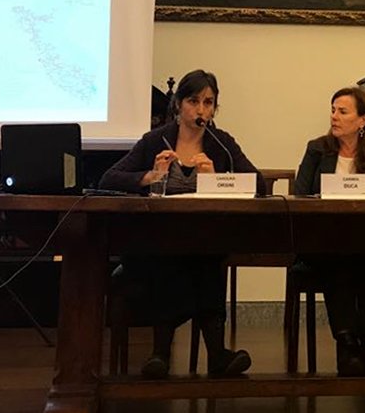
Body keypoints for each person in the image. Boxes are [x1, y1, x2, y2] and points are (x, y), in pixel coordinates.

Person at [99, 69, 260, 379]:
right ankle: (174, 352)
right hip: (155, 240)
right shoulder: (153, 141)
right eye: (193, 101)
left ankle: (188, 354)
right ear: (178, 105)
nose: (201, 110)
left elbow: (258, 185)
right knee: (173, 255)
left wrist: (217, 181)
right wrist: (151, 176)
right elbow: (108, 178)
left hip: (202, 239)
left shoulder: (221, 143)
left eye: (208, 103)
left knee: (204, 256)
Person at [293, 87, 365, 376]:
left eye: (342, 111)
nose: (334, 116)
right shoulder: (317, 149)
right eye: (333, 110)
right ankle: (347, 345)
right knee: (337, 257)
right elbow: (300, 195)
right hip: (324, 241)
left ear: (363, 120)